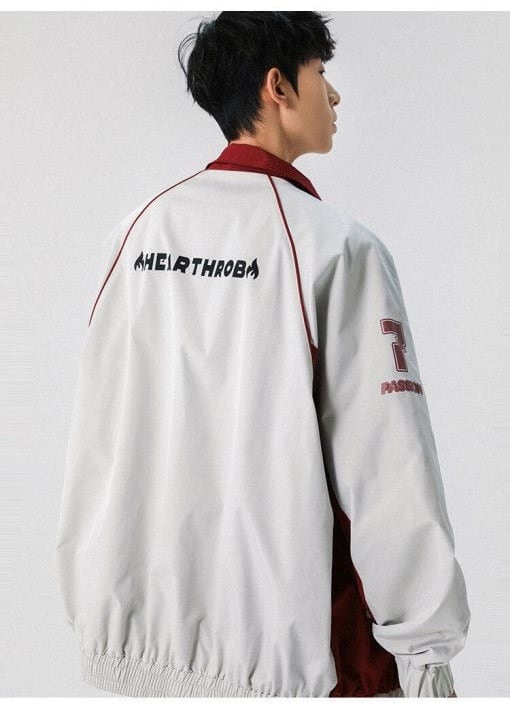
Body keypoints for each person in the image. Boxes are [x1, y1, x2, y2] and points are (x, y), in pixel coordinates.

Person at [54, 11, 470, 698]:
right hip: (305, 665)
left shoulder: (139, 230)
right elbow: (387, 465)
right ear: (277, 87)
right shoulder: (337, 247)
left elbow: (98, 436)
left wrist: (102, 620)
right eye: (320, 74)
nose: (334, 95)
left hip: (140, 661)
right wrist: (427, 651)